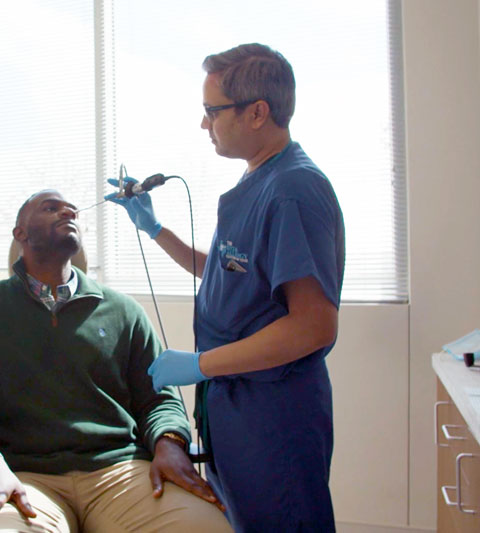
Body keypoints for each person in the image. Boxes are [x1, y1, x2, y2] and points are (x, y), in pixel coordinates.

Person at [107, 43, 345, 532]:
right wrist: (155, 231)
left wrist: (200, 365)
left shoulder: (293, 191)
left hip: (273, 416)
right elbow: (225, 271)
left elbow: (314, 324)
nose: (203, 125)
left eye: (211, 111)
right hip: (236, 409)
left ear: (257, 112)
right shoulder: (258, 181)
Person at [0, 189, 232, 533]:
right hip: (23, 478)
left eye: (72, 211)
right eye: (51, 208)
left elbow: (160, 399)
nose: (68, 213)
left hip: (121, 472)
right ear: (20, 234)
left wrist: (169, 441)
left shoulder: (124, 312)